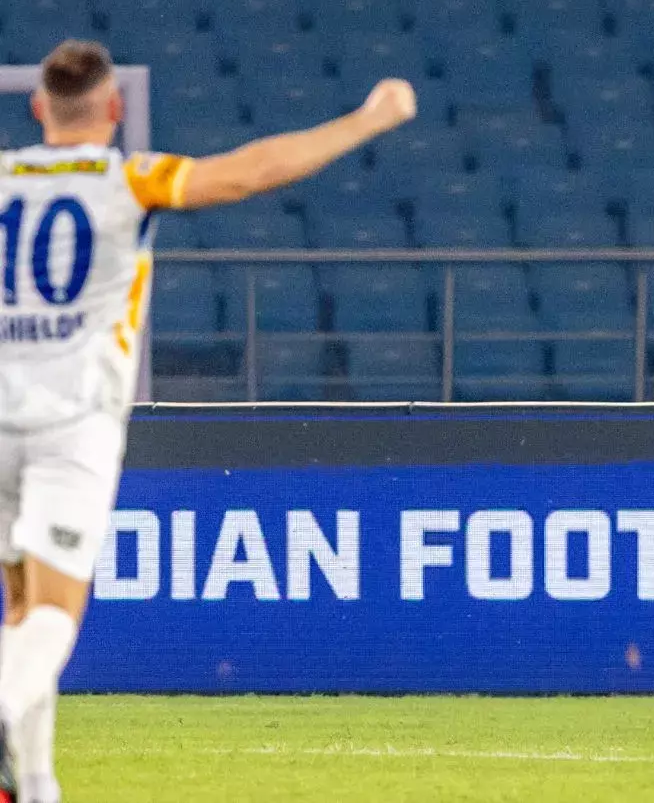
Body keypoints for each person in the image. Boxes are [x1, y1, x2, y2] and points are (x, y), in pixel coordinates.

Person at [0, 39, 415, 803]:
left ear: (37, 107)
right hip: (72, 421)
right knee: (54, 612)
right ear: (114, 107)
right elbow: (252, 171)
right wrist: (366, 120)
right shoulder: (130, 179)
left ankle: (35, 784)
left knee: (21, 609)